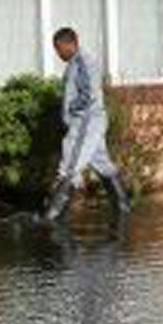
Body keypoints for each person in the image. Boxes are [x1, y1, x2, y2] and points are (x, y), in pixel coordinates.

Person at [43, 26, 131, 220]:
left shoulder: (83, 62)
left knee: (69, 167)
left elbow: (88, 94)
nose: (57, 53)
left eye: (58, 48)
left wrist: (72, 111)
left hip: (85, 121)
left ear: (71, 43)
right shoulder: (76, 63)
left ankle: (51, 219)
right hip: (91, 121)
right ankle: (123, 210)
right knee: (102, 164)